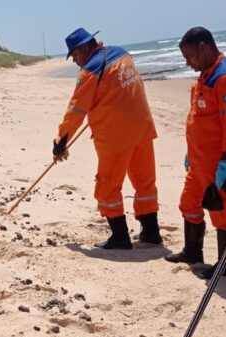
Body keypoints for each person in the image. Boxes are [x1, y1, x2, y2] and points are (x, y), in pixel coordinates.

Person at [54, 27, 162, 250]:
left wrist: (60, 142)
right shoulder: (123, 54)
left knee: (108, 187)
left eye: (75, 55)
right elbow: (118, 91)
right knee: (145, 182)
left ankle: (120, 237)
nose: (75, 61)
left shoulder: (90, 71)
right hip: (142, 128)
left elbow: (75, 111)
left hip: (116, 137)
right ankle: (151, 233)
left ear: (85, 47)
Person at [166, 27, 226, 278]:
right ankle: (193, 252)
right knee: (189, 203)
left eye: (190, 56)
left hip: (215, 162)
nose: (188, 63)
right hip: (199, 159)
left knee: (221, 210)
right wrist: (191, 153)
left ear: (203, 47)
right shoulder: (207, 75)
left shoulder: (225, 78)